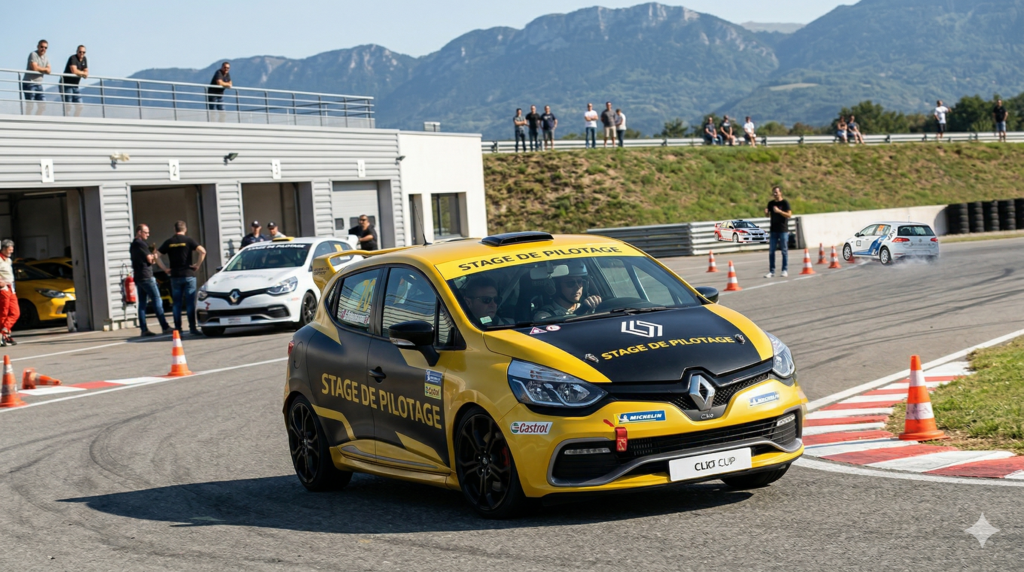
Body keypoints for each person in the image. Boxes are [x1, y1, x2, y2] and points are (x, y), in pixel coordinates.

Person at [156, 221, 206, 335]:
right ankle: (192, 328)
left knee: (177, 304)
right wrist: (197, 265)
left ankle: (178, 328)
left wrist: (165, 269)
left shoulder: (169, 242)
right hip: (188, 274)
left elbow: (156, 255)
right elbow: (202, 251)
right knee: (189, 303)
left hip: (175, 276)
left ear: (175, 230)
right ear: (185, 229)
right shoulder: (189, 240)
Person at [130, 224, 172, 337]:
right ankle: (165, 326)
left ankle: (144, 329)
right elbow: (151, 260)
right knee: (157, 300)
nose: (148, 235)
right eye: (146, 232)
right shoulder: (141, 243)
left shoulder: (133, 244)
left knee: (142, 303)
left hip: (139, 277)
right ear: (139, 232)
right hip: (147, 276)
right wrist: (153, 254)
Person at [533, 261, 602, 320]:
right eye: (570, 283)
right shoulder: (544, 315)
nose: (577, 287)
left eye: (579, 281)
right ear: (556, 287)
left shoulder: (591, 305)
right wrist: (583, 310)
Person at [764, 186, 792, 278]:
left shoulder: (785, 203)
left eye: (776, 192)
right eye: (773, 192)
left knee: (784, 251)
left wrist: (779, 211)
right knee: (771, 251)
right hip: (773, 230)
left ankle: (784, 270)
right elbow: (768, 216)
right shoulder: (771, 203)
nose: (775, 194)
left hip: (783, 230)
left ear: (780, 193)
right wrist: (766, 212)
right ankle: (771, 271)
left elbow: (789, 215)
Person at [0, 240, 20, 346]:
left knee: (15, 312)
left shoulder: (8, 260)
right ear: (3, 248)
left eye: (12, 248)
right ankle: (5, 335)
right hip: (3, 289)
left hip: (11, 288)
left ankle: (4, 331)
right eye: (9, 248)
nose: (11, 250)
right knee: (4, 312)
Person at [24, 40, 51, 116]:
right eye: (42, 47)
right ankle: (27, 120)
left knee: (42, 105)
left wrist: (42, 69)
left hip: (39, 84)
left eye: (45, 47)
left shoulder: (46, 57)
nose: (43, 49)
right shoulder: (33, 54)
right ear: (38, 47)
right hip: (30, 83)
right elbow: (34, 67)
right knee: (30, 105)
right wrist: (44, 69)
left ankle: (36, 119)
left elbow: (49, 70)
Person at [61, 45, 88, 117]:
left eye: (84, 52)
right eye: (80, 52)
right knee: (68, 106)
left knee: (80, 106)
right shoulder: (72, 58)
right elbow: (74, 70)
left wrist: (82, 73)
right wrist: (82, 73)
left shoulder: (84, 59)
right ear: (77, 52)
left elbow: (86, 72)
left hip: (75, 85)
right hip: (66, 84)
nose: (82, 54)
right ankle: (67, 121)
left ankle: (75, 119)